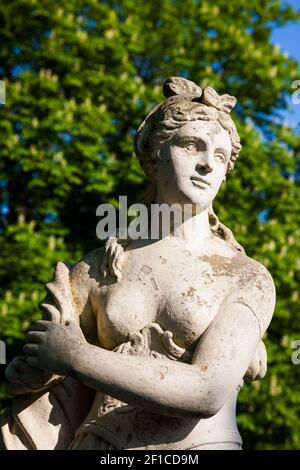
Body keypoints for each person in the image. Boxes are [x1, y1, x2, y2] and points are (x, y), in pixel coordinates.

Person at [1, 77, 275, 450]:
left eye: (220, 156)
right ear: (156, 154)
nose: (207, 164)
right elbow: (28, 375)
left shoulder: (244, 276)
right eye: (192, 145)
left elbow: (207, 391)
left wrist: (75, 355)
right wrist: (38, 365)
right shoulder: (99, 268)